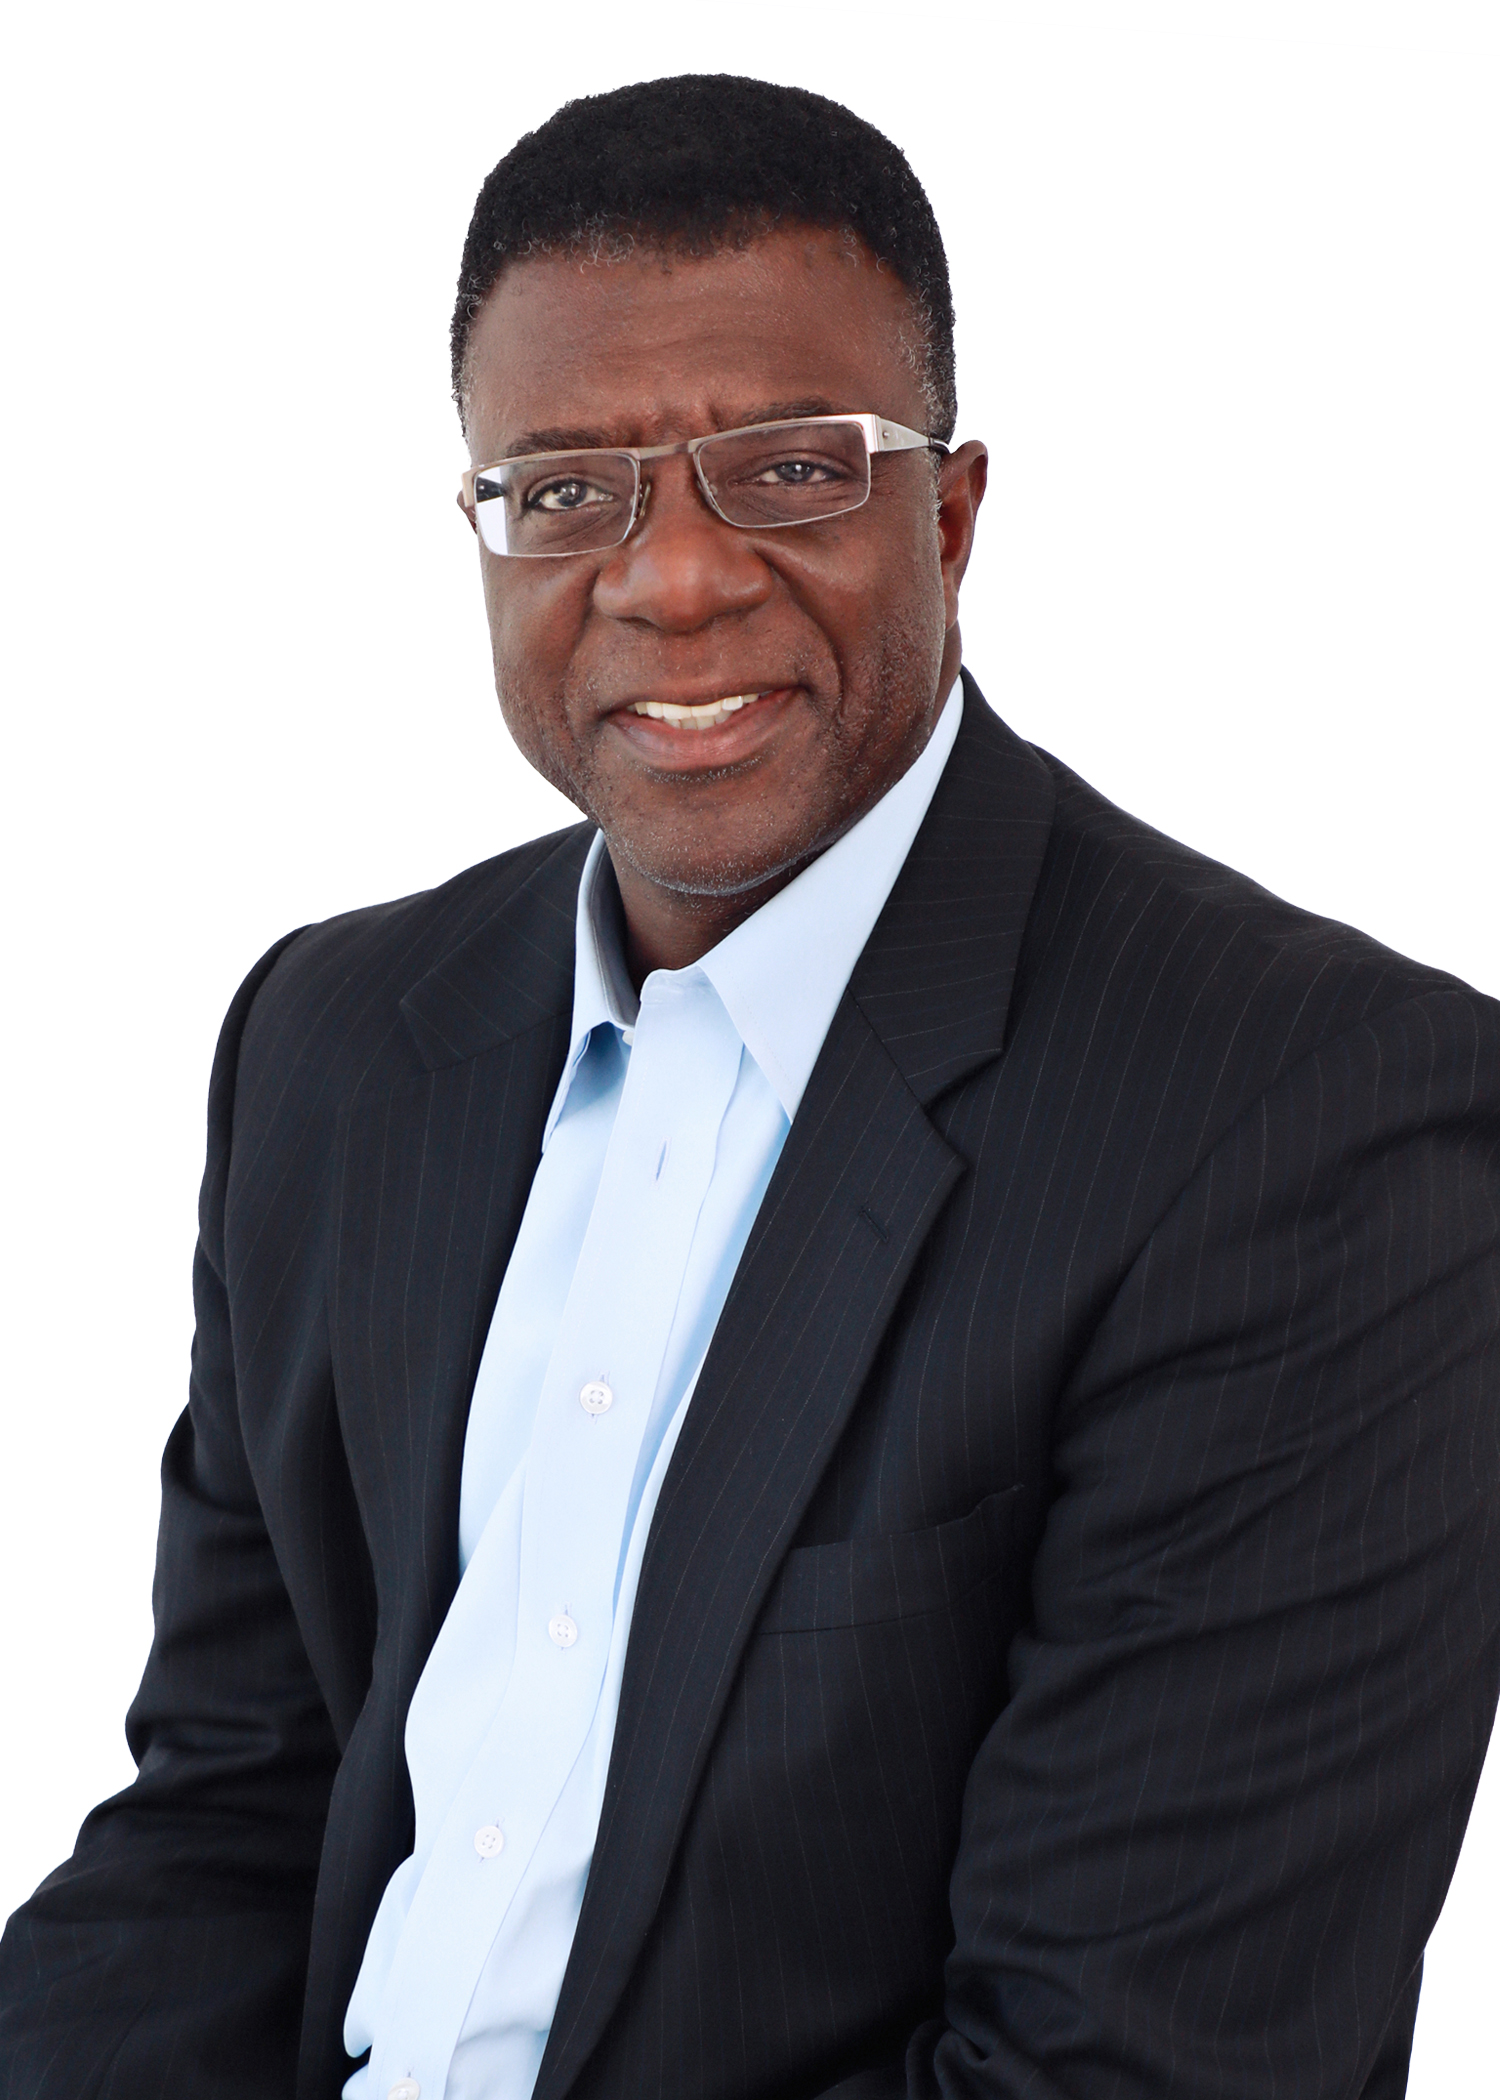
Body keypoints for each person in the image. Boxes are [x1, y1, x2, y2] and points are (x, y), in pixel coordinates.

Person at [2, 70, 1497, 2100]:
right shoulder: (335, 1045)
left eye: (789, 471)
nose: (676, 580)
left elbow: (1123, 2071)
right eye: (567, 491)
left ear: (948, 516)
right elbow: (227, 1823)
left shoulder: (1312, 1123)